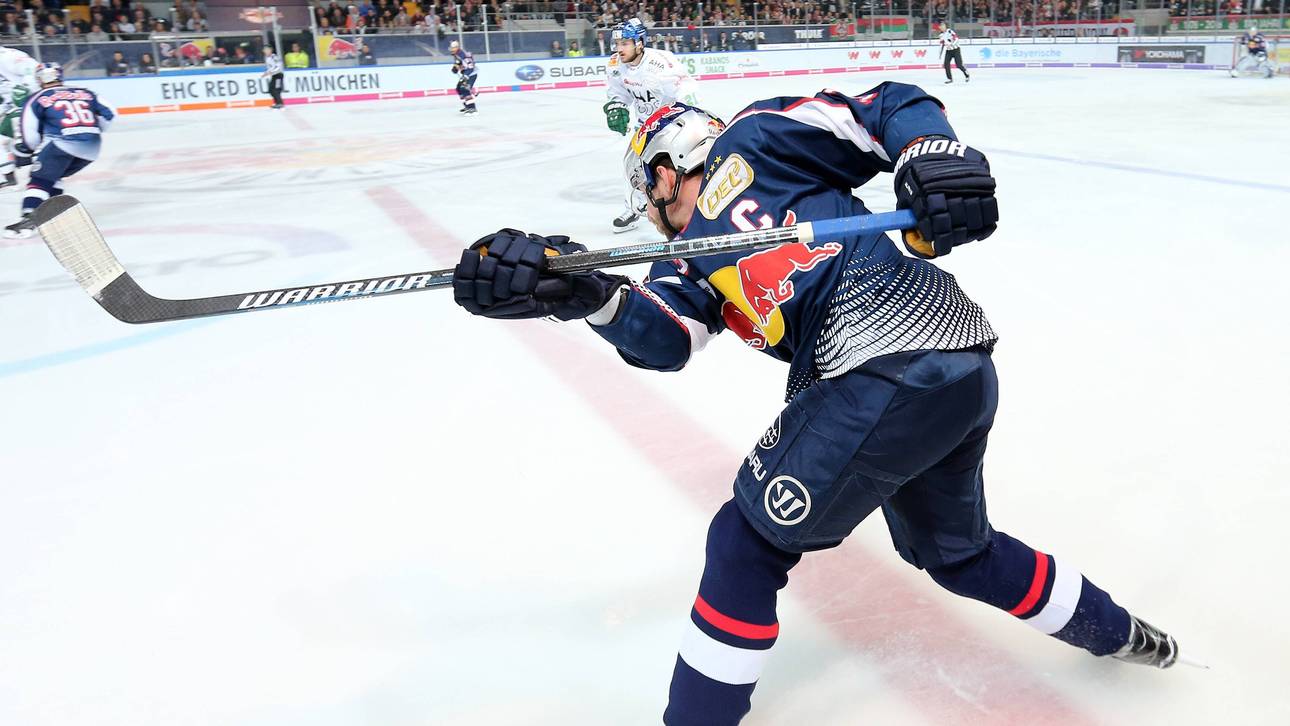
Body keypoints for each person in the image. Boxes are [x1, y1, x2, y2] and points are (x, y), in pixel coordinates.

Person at [449, 84, 1182, 725]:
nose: (648, 207)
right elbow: (664, 339)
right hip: (949, 366)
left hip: (884, 362)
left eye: (648, 190)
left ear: (666, 169)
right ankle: (1122, 634)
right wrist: (588, 296)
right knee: (957, 555)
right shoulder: (685, 264)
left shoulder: (756, 136)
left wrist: (928, 154)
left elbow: (886, 107)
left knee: (745, 542)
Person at [602, 18, 697, 234]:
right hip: (645, 125)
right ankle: (633, 209)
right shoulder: (616, 65)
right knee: (633, 166)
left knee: (673, 171)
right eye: (617, 44)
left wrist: (683, 120)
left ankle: (684, 210)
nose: (619, 49)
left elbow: (687, 90)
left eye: (625, 43)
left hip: (671, 125)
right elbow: (619, 92)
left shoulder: (661, 63)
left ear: (640, 43)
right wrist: (617, 106)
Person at [4, 63, 115, 239]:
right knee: (53, 177)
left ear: (39, 78)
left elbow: (29, 133)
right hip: (91, 148)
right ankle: (57, 216)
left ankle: (27, 221)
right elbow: (110, 114)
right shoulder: (85, 92)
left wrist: (28, 152)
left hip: (61, 145)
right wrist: (90, 132)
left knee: (39, 180)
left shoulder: (37, 97)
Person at [449, 40, 477, 114]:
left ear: (457, 47)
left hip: (471, 74)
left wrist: (465, 76)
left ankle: (472, 108)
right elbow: (458, 63)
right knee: (458, 88)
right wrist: (455, 68)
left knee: (464, 88)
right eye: (451, 48)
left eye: (453, 48)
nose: (451, 49)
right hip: (466, 73)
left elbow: (471, 67)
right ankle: (467, 105)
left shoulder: (463, 55)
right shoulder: (456, 54)